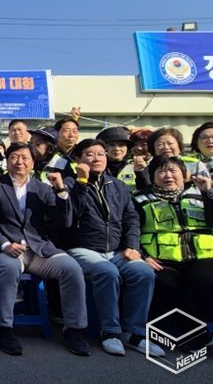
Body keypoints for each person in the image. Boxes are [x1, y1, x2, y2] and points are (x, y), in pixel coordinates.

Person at [0, 142, 90, 357]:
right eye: (14, 157)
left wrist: (61, 190)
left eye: (25, 158)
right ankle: (4, 327)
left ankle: (74, 329)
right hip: (8, 248)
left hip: (39, 248)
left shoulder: (43, 188)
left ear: (33, 163)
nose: (19, 162)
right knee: (8, 269)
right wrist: (4, 244)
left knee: (72, 269)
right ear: (7, 161)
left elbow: (63, 221)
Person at [63, 139, 163, 357]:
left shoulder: (118, 186)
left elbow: (131, 219)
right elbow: (68, 217)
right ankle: (110, 331)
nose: (96, 158)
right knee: (106, 272)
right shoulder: (69, 184)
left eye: (101, 154)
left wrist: (132, 246)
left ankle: (135, 332)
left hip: (117, 250)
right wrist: (81, 182)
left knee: (143, 272)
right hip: (82, 249)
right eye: (89, 154)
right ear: (78, 159)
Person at [133, 156, 213, 349]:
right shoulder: (140, 199)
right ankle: (195, 335)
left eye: (173, 170)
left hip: (201, 257)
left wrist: (209, 192)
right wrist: (142, 255)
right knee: (168, 286)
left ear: (184, 174)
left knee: (211, 282)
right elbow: (130, 230)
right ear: (152, 176)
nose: (168, 175)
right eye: (161, 171)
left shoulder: (201, 194)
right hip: (161, 260)